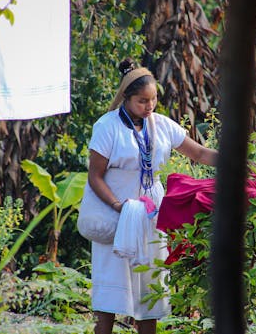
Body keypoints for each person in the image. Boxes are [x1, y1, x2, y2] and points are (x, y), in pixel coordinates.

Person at [85, 59, 218, 334]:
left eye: (154, 99)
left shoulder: (161, 125)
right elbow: (95, 176)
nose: (150, 106)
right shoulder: (107, 127)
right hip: (116, 213)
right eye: (142, 101)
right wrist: (118, 206)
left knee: (151, 286)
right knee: (110, 290)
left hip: (152, 214)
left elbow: (199, 153)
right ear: (126, 98)